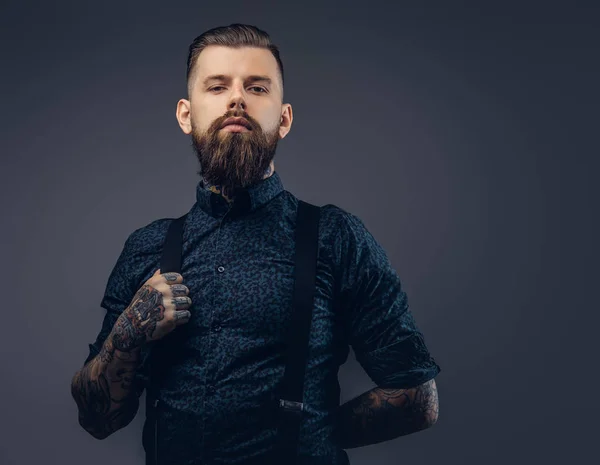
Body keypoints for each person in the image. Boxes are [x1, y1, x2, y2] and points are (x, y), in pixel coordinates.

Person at [70, 23, 442, 465]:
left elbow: (418, 398)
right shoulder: (146, 246)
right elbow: (97, 420)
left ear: (283, 118)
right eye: (217, 86)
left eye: (257, 87)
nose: (237, 99)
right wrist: (128, 332)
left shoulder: (337, 237)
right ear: (186, 115)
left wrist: (313, 434)